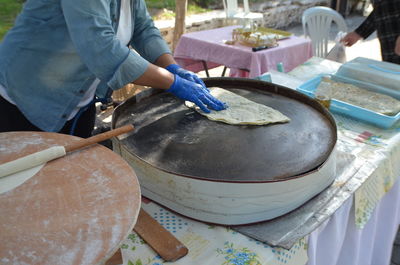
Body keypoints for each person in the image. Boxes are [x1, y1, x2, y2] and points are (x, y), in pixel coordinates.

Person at [0, 0, 226, 138]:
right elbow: (101, 46)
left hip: (75, 97)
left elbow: (143, 29)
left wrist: (173, 68)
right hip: (25, 98)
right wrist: (172, 82)